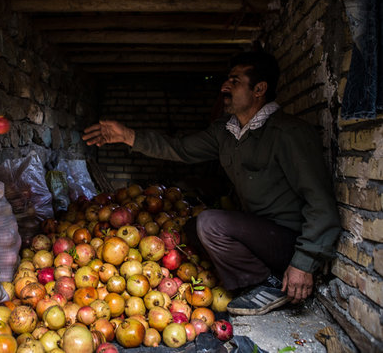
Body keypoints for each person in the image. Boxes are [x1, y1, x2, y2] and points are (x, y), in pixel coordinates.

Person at [82, 51, 340, 315]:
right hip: (259, 233)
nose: (224, 87)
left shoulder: (288, 133)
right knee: (194, 227)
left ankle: (267, 284)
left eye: (235, 81)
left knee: (210, 223)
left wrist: (304, 263)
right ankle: (255, 273)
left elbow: (321, 204)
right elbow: (180, 148)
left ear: (259, 89)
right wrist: (127, 136)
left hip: (289, 240)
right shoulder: (225, 132)